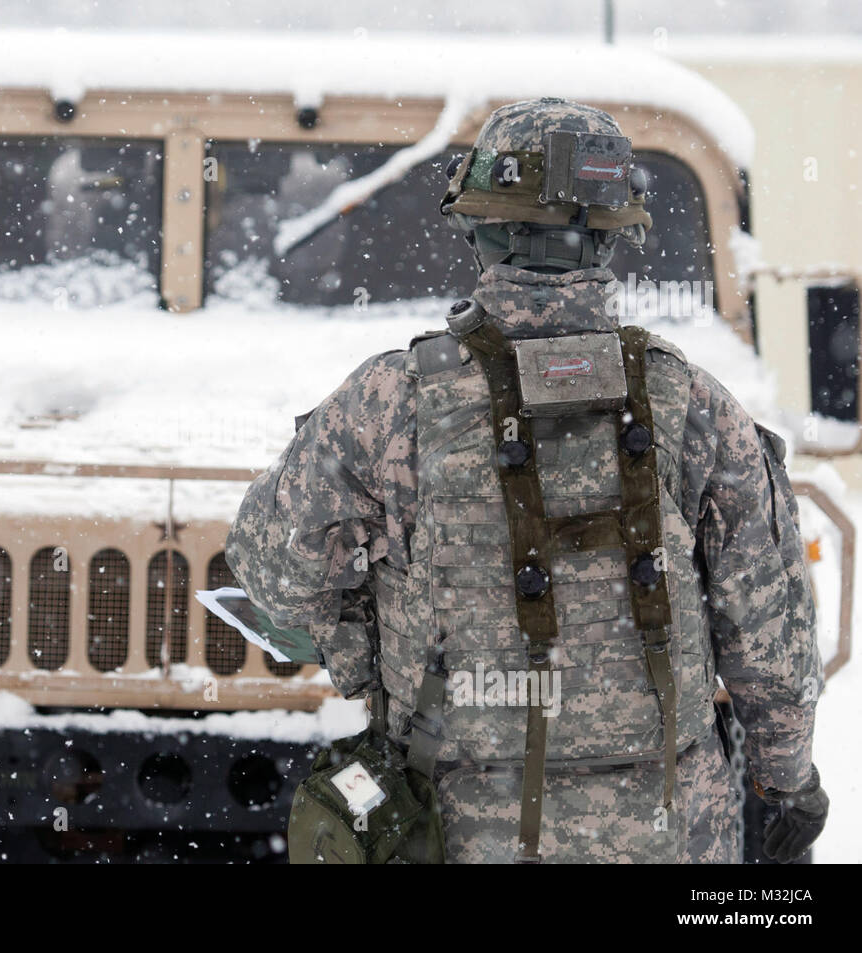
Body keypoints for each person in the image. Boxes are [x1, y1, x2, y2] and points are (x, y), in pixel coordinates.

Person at [226, 98, 827, 863]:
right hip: (666, 830)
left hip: (457, 825)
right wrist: (789, 780)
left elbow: (275, 572)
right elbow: (770, 630)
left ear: (479, 229)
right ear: (613, 238)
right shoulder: (695, 404)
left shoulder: (387, 404)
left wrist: (366, 647)